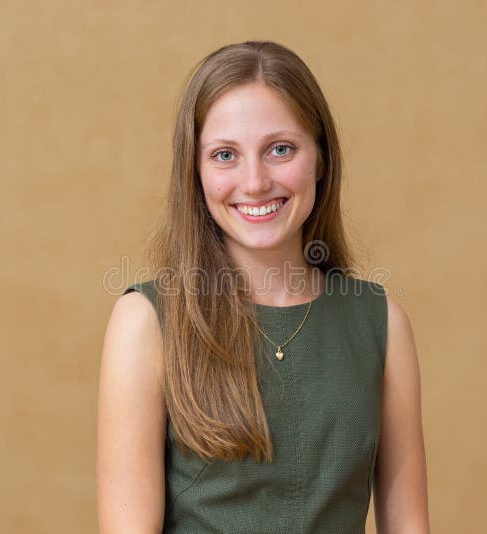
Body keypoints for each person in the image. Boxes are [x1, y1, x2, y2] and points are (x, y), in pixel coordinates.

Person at [96, 40, 430, 533]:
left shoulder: (381, 324)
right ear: (195, 172)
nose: (254, 182)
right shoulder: (146, 322)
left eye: (280, 149)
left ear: (320, 159)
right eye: (225, 154)